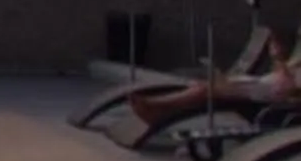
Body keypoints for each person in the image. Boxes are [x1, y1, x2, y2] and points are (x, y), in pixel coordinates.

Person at [127, 30, 298, 127]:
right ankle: (157, 110)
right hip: (260, 85)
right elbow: (283, 74)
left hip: (267, 95)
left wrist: (279, 58)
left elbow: (291, 87)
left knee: (204, 90)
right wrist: (278, 59)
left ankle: (155, 106)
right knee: (202, 86)